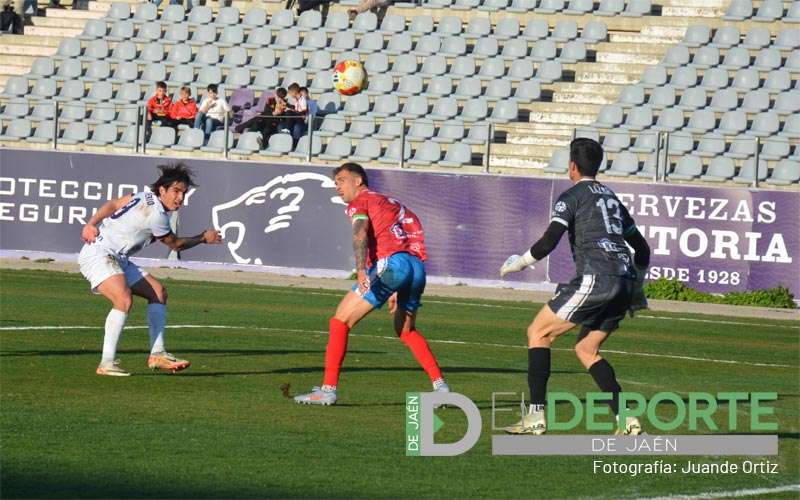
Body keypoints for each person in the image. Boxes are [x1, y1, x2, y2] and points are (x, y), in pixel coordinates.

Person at [499, 138, 650, 435]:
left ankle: (536, 417)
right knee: (586, 349)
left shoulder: (572, 196)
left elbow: (548, 241)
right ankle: (626, 419)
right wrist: (638, 284)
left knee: (538, 333)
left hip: (597, 278)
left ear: (572, 166)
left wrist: (519, 263)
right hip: (625, 281)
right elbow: (642, 249)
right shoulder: (612, 199)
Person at [295, 163, 450, 405]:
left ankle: (327, 390)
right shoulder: (389, 201)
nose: (338, 186)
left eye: (342, 180)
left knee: (340, 321)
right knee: (406, 330)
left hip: (392, 265)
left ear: (358, 181)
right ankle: (440, 387)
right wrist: (398, 280)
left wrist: (360, 271)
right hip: (415, 267)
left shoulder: (361, 201)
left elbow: (359, 233)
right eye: (336, 183)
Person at [78, 163, 223, 377]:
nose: (180, 197)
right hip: (99, 253)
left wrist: (91, 223)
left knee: (158, 292)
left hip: (118, 257)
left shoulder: (141, 196)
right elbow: (176, 245)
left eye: (184, 192)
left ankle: (158, 354)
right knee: (123, 299)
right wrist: (203, 238)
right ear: (162, 190)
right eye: (176, 191)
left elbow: (113, 204)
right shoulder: (157, 215)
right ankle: (106, 363)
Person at [285, 82, 308, 147]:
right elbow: (295, 108)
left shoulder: (302, 99)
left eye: (290, 93)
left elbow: (302, 112)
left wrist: (290, 108)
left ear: (294, 92)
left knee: (289, 113)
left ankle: (288, 129)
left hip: (301, 119)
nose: (289, 94)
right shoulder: (295, 99)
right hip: (296, 118)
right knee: (288, 113)